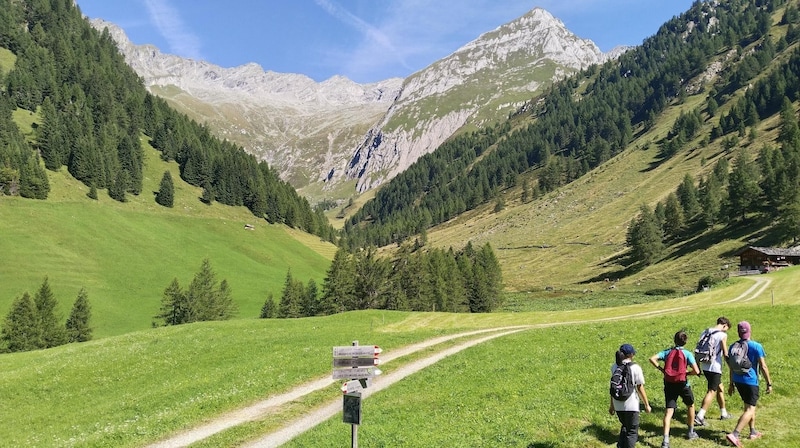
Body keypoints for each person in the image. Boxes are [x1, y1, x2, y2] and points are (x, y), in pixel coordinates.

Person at [649, 330, 702, 448]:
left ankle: (665, 440)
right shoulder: (687, 354)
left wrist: (662, 370)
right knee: (690, 405)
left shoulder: (667, 352)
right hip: (683, 384)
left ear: (674, 340)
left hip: (669, 384)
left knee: (669, 411)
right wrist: (687, 373)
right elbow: (697, 371)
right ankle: (690, 431)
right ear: (685, 341)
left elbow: (652, 358)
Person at [725, 321, 773, 448]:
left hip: (737, 380)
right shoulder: (756, 346)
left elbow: (731, 367)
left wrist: (731, 384)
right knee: (750, 409)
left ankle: (752, 432)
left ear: (738, 332)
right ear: (749, 331)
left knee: (749, 407)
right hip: (751, 381)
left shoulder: (733, 346)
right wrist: (769, 383)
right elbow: (763, 366)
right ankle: (734, 434)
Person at [609, 343, 652, 447]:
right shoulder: (635, 367)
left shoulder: (615, 367)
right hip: (631, 404)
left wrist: (612, 405)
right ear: (631, 355)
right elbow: (639, 387)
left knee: (625, 426)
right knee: (632, 431)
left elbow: (613, 386)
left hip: (618, 404)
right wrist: (646, 404)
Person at [695, 316, 733, 426]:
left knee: (720, 387)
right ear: (724, 325)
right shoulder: (722, 335)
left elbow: (698, 349)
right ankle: (700, 416)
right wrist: (731, 366)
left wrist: (697, 366)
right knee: (712, 391)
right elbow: (725, 353)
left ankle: (724, 413)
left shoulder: (705, 332)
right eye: (727, 328)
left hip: (705, 365)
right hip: (715, 367)